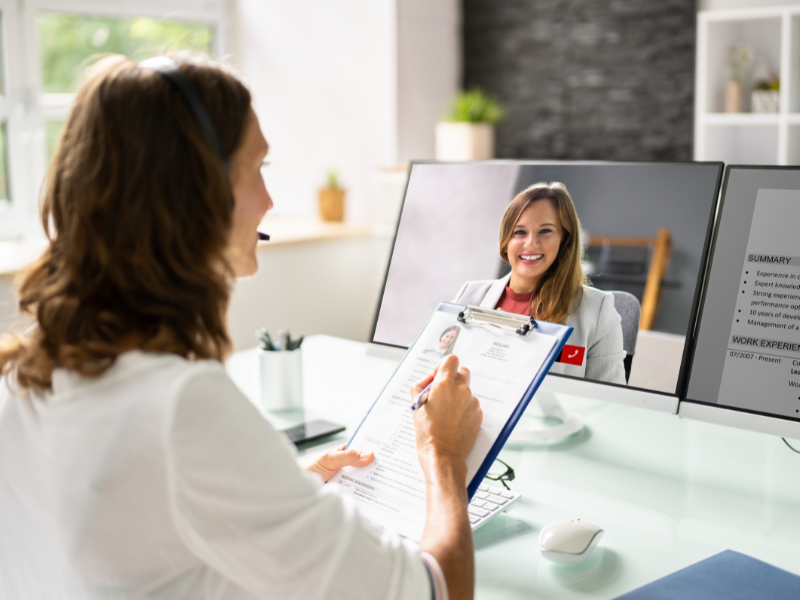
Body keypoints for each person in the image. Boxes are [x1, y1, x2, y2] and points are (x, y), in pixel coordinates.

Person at [0, 55, 483, 600]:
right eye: (258, 168)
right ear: (196, 194)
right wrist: (442, 454)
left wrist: (288, 486)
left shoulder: (28, 368)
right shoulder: (180, 404)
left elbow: (141, 527)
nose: (270, 200)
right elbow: (437, 590)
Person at [453, 182, 626, 384]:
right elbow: (431, 360)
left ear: (564, 239)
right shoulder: (470, 294)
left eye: (545, 231)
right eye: (519, 232)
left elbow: (608, 399)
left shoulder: (598, 310)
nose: (531, 244)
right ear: (506, 240)